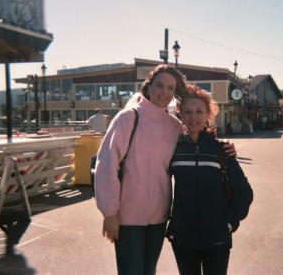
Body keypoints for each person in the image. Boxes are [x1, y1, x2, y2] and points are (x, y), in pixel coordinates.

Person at [94, 65, 236, 275]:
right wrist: (110, 212)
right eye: (159, 85)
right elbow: (106, 163)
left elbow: (197, 138)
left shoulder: (175, 126)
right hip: (128, 216)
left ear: (174, 93)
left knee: (149, 270)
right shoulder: (128, 118)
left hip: (160, 217)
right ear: (149, 86)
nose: (164, 92)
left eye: (170, 88)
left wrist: (224, 147)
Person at [166, 84, 253, 275]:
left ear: (208, 114)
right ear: (180, 114)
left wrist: (230, 223)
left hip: (217, 237)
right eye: (187, 111)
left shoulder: (221, 150)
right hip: (183, 238)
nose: (193, 117)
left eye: (199, 111)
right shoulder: (174, 149)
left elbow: (243, 191)